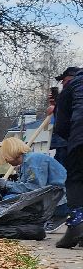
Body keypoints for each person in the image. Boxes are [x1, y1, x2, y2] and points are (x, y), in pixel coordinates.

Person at [54, 64, 83, 248]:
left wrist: (73, 139)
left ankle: (77, 225)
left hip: (80, 138)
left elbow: (61, 126)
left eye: (63, 81)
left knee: (76, 180)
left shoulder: (72, 86)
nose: (62, 84)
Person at [0, 137, 66, 198]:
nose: (6, 161)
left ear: (10, 153)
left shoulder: (33, 161)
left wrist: (7, 185)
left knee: (7, 199)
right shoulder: (26, 162)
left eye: (5, 157)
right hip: (51, 197)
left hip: (55, 200)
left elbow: (35, 188)